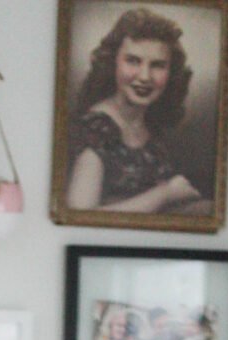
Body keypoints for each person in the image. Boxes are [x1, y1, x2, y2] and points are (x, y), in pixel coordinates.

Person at [64, 8, 205, 215]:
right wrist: (165, 193)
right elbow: (79, 215)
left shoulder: (152, 125)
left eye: (157, 65)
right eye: (133, 61)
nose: (145, 76)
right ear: (112, 63)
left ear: (171, 72)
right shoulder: (97, 129)